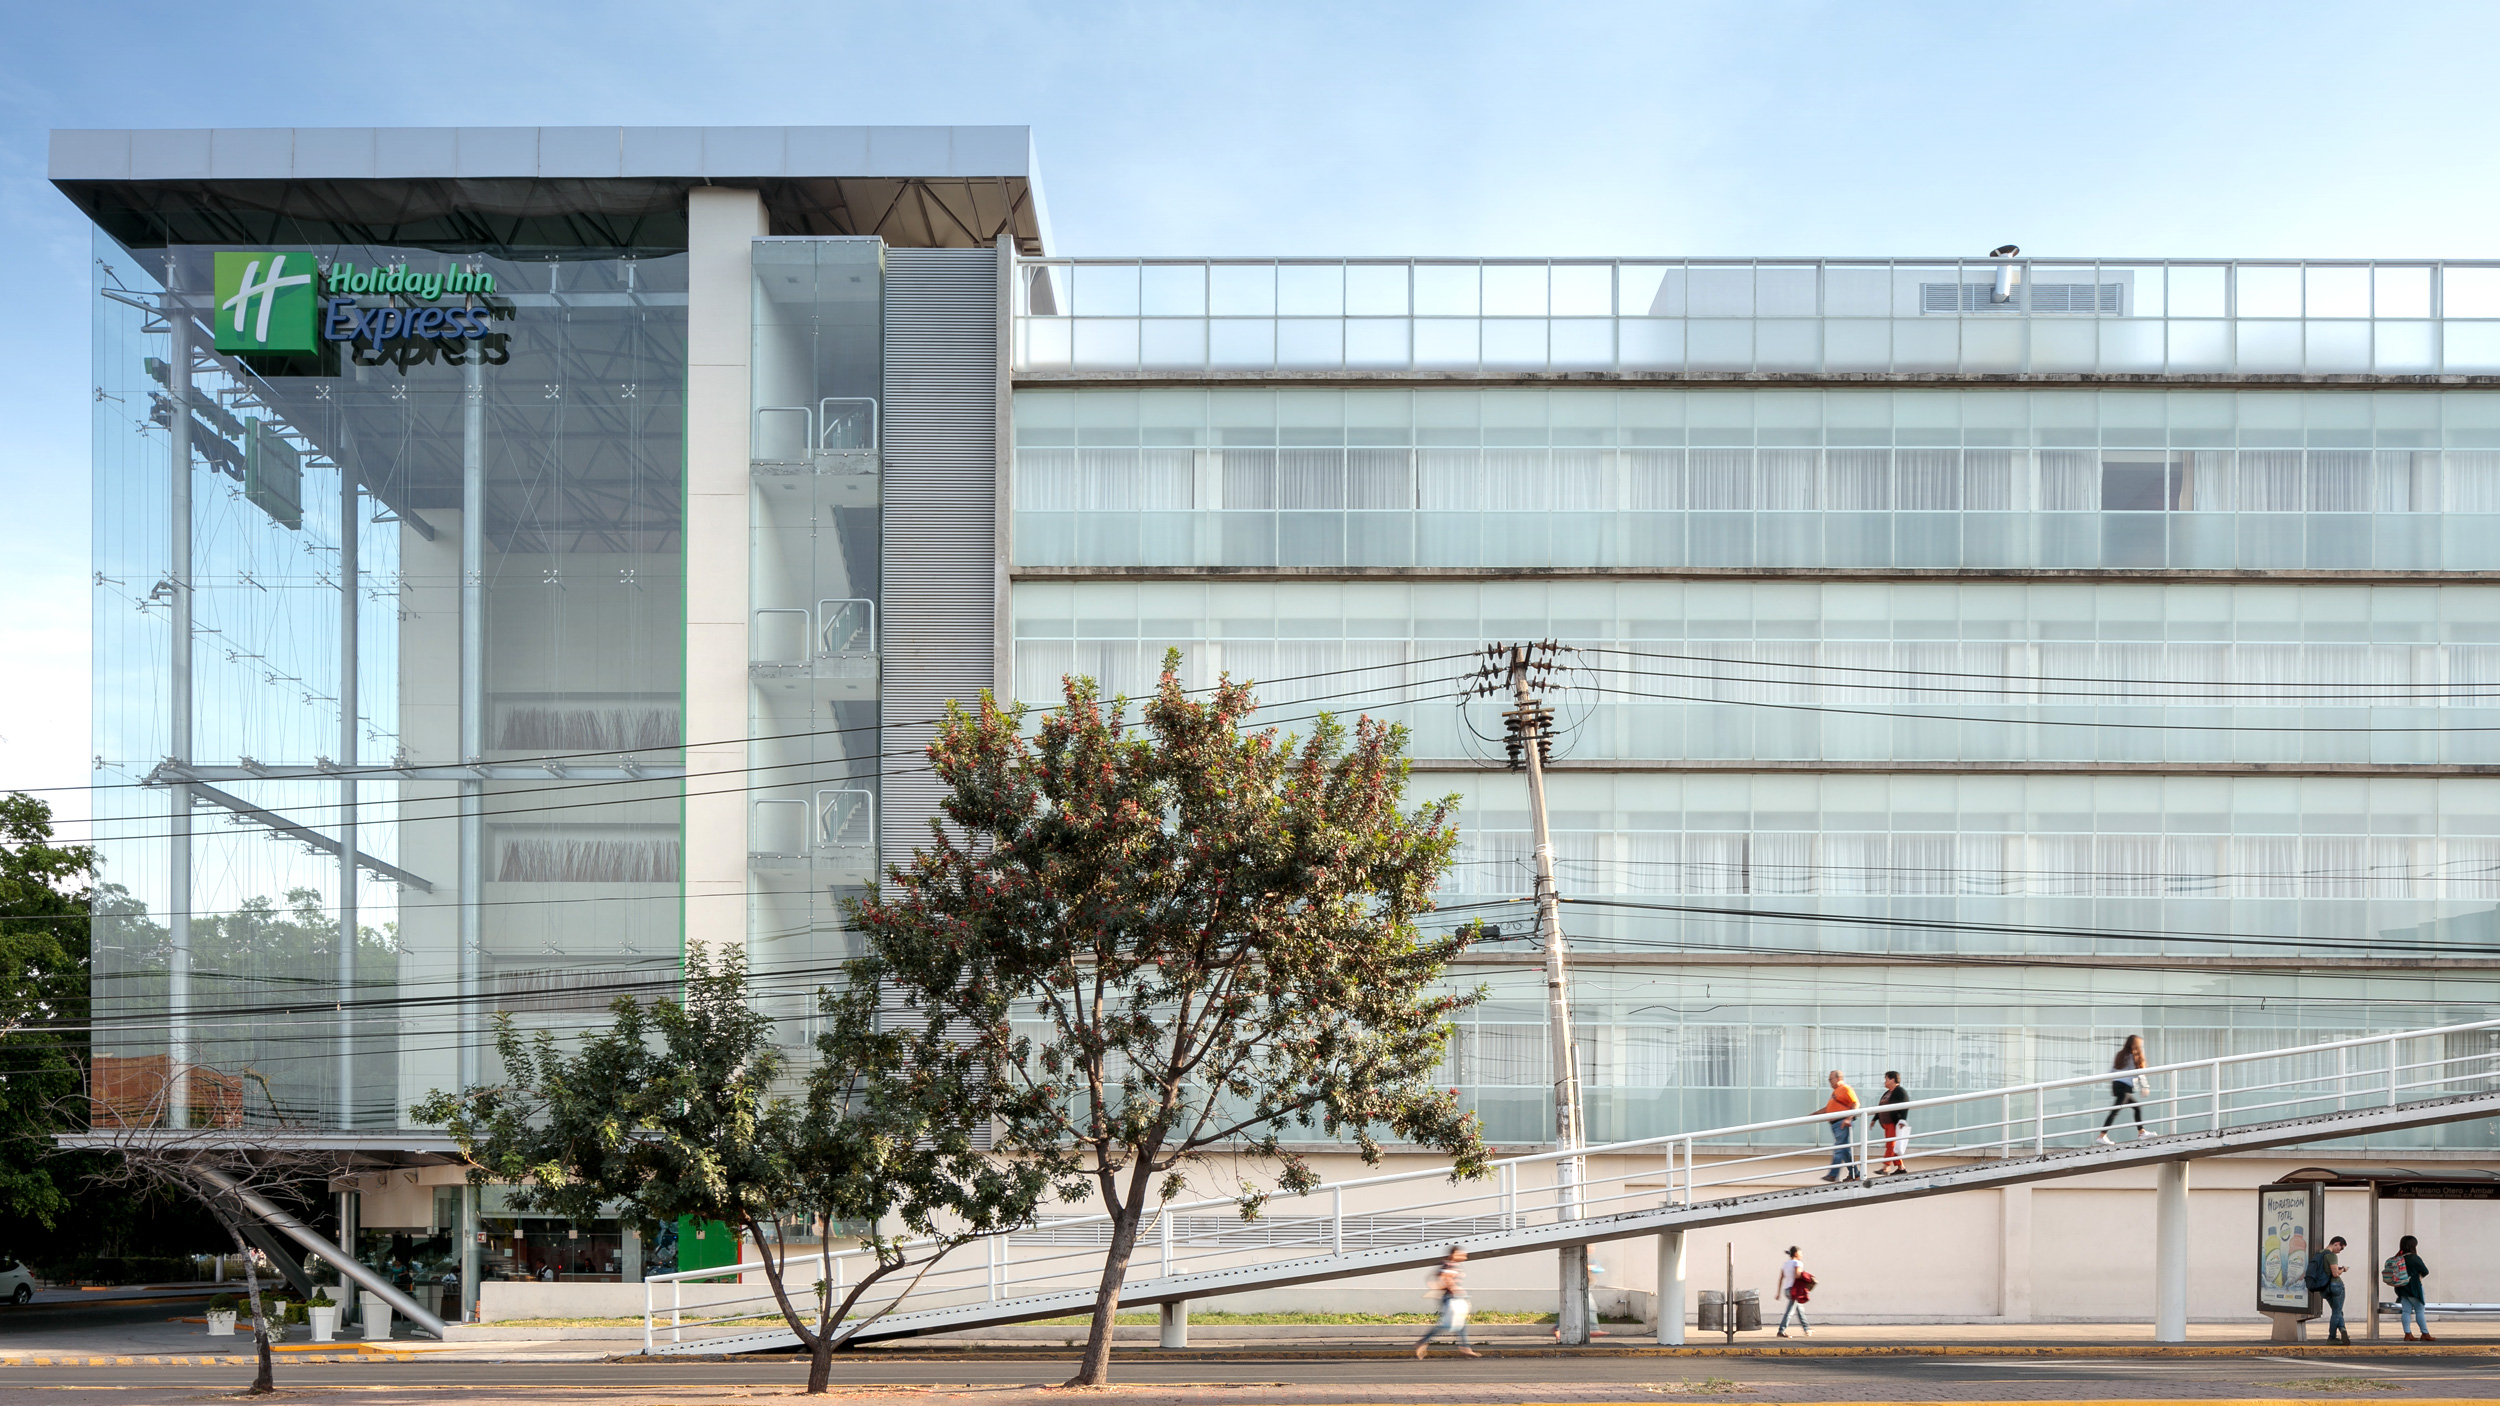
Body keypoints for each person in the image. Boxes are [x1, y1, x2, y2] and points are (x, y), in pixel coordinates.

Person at [1414, 1246, 1481, 1359]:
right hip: (1451, 1298)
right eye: (1461, 1254)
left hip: (1454, 1297)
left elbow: (1436, 1277)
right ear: (1453, 1254)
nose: (1464, 1257)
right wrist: (1453, 1288)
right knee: (1446, 1323)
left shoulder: (1450, 1264)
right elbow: (1445, 1277)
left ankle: (1465, 1347)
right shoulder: (1449, 1264)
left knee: (1461, 1323)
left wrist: (1438, 1288)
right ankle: (1422, 1342)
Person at [2097, 1034, 2148, 1144]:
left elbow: (2112, 1071)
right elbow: (2140, 1073)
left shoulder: (2120, 1054)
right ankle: (2102, 1135)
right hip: (2124, 1087)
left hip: (2117, 1085)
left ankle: (2141, 1132)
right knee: (2115, 1111)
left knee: (2137, 1107)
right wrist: (2145, 1086)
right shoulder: (2135, 1056)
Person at [2387, 1234, 2432, 1342]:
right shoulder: (2414, 1258)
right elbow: (2425, 1270)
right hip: (2414, 1288)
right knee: (2420, 1310)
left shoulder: (2398, 1258)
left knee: (2406, 1311)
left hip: (2402, 1288)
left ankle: (2407, 1334)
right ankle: (2425, 1333)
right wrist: (2419, 1276)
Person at [1818, 1070, 1861, 1181]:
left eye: (1830, 1079)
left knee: (1839, 1148)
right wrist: (1813, 1115)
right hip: (1836, 1124)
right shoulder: (1836, 1092)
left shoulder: (1845, 1089)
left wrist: (1848, 1119)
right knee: (1844, 1151)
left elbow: (1856, 1104)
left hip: (1842, 1123)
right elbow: (1828, 1109)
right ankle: (1855, 1174)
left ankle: (1833, 1174)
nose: (1829, 1081)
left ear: (1838, 1078)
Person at [2313, 1235, 2349, 1344]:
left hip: (2324, 1288)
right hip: (2336, 1285)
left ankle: (2343, 1329)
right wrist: (2343, 1269)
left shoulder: (2319, 1254)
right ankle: (2332, 1337)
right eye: (2341, 1248)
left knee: (2337, 1310)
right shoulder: (2331, 1255)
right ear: (2336, 1243)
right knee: (2337, 1311)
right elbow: (2335, 1274)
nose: (2340, 1251)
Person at [1875, 1071, 1910, 1176]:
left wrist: (1902, 1119)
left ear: (1892, 1079)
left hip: (1893, 1123)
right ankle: (1901, 1167)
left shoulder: (1899, 1091)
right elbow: (1881, 1107)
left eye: (1886, 1079)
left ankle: (1885, 1167)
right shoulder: (1887, 1093)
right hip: (1886, 1124)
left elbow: (1904, 1106)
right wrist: (1875, 1119)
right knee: (1892, 1146)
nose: (1884, 1082)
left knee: (1891, 1145)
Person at [1776, 1246, 1811, 1337]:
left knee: (1800, 1309)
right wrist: (1806, 1276)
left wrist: (1778, 1293)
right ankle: (1781, 1330)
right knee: (1790, 1311)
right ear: (1796, 1253)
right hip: (1794, 1290)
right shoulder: (1797, 1263)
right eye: (1800, 1253)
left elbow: (1781, 1278)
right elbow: (1797, 1275)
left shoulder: (1785, 1264)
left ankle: (1807, 1329)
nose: (1802, 1255)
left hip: (1787, 1290)